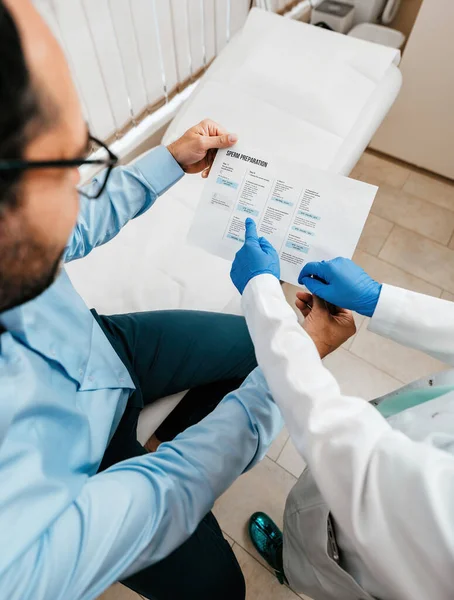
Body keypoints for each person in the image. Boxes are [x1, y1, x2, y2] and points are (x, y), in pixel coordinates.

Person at [0, 2, 283, 599]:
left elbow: (65, 230)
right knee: (222, 590)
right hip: (82, 467)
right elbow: (166, 493)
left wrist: (169, 160)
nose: (78, 190)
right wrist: (290, 373)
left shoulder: (21, 231)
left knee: (257, 341)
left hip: (100, 348)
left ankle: (164, 431)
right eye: (61, 171)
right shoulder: (13, 542)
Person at [230, 217, 454, 600]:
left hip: (383, 559)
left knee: (325, 568)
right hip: (392, 456)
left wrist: (263, 298)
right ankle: (294, 557)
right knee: (312, 518)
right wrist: (379, 299)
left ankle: (295, 569)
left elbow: (348, 450)